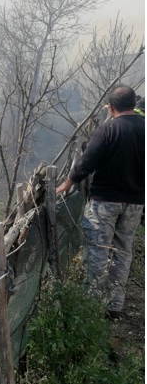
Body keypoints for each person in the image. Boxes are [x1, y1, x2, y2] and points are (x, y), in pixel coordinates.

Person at [56, 84, 145, 318]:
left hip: (105, 202)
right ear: (134, 105)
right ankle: (115, 305)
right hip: (135, 203)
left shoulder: (107, 130)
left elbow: (86, 163)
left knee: (98, 250)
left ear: (111, 107)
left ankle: (92, 304)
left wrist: (67, 184)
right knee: (123, 251)